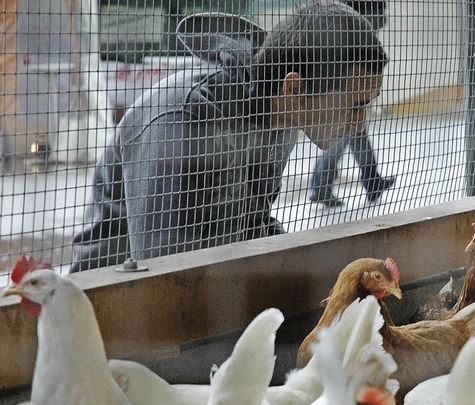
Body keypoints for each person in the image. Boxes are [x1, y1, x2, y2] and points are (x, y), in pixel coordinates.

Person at [70, 0, 388, 272]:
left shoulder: (286, 117)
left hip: (213, 280)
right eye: (354, 106)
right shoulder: (186, 118)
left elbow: (253, 221)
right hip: (115, 297)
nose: (361, 124)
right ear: (295, 89)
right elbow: (160, 268)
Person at [309, 0, 395, 207]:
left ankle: (371, 179)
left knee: (356, 129)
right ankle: (321, 184)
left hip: (348, 59)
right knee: (346, 129)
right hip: (345, 65)